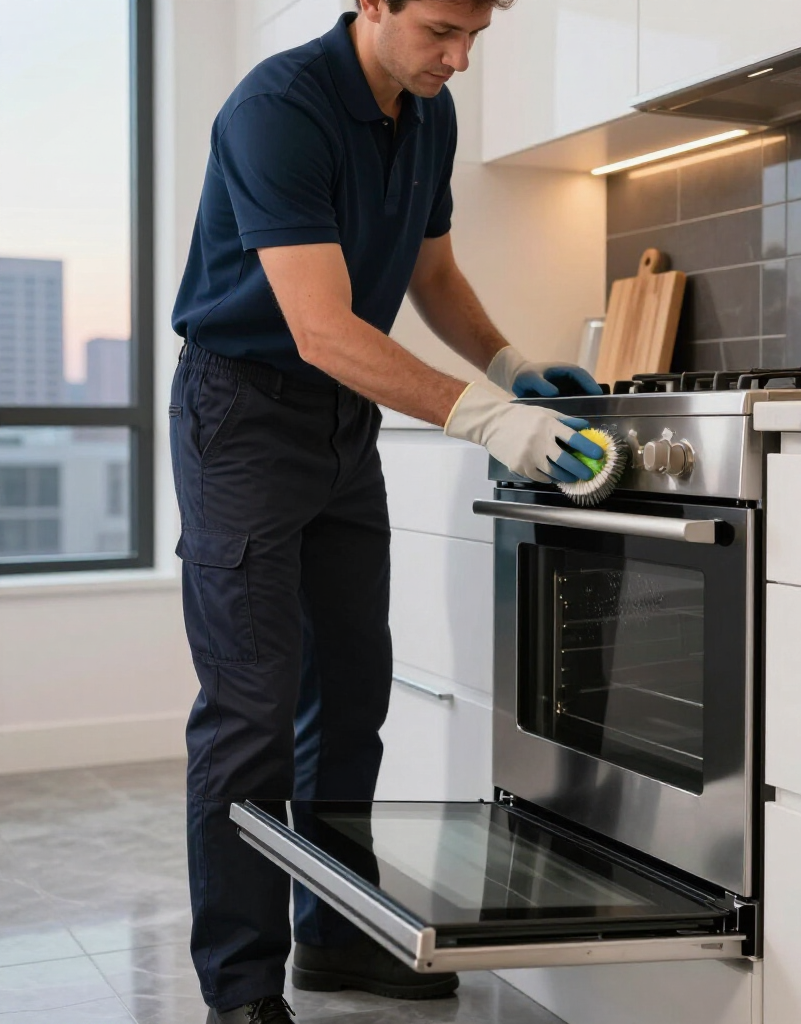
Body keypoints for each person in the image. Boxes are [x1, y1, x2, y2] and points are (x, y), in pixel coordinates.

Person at [169, 1, 604, 1021]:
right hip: (243, 416)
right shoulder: (278, 108)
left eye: (475, 37)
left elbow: (432, 271)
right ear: (373, 3)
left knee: (351, 694)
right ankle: (238, 989)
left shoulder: (427, 108)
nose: (457, 59)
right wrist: (488, 419)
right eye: (440, 30)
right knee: (250, 715)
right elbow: (321, 327)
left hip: (342, 423)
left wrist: (509, 365)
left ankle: (334, 939)